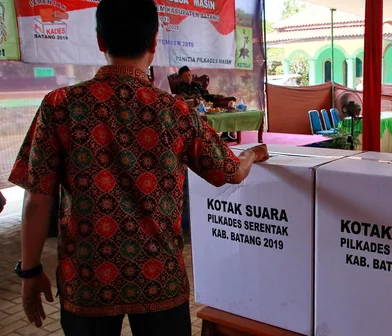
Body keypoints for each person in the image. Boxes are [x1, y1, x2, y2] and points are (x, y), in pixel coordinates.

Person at [8, 1, 269, 335]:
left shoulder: (59, 106)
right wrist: (253, 155)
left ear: (101, 41)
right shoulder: (175, 112)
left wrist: (29, 272)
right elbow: (229, 172)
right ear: (154, 43)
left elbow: (37, 198)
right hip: (158, 279)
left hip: (87, 281)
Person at [175, 67, 235, 141]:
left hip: (206, 106)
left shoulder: (197, 85)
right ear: (181, 77)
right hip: (193, 108)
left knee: (223, 110)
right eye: (185, 76)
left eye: (189, 75)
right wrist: (197, 98)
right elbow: (183, 97)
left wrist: (219, 96)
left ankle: (226, 134)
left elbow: (206, 96)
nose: (188, 77)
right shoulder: (180, 87)